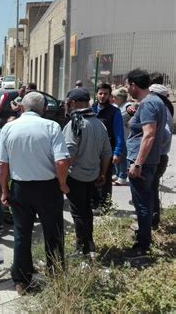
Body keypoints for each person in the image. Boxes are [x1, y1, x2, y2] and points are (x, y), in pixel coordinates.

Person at [0, 92, 70, 295]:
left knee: (21, 234)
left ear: (21, 107)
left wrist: (5, 190)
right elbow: (61, 161)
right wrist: (63, 184)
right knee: (53, 233)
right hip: (48, 188)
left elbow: (2, 165)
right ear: (43, 109)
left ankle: (21, 280)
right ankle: (56, 275)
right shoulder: (52, 126)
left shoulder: (9, 128)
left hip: (21, 188)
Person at [63, 88, 112, 258]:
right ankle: (89, 243)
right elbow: (107, 153)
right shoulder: (100, 124)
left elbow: (68, 155)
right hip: (93, 175)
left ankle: (81, 248)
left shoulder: (75, 124)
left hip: (75, 176)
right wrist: (103, 174)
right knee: (87, 210)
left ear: (73, 103)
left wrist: (62, 178)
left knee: (78, 212)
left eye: (68, 103)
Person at [125, 69, 166, 258]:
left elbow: (149, 135)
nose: (126, 89)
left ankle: (143, 245)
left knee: (142, 203)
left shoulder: (149, 103)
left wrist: (138, 163)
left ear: (134, 85)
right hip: (150, 160)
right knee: (147, 201)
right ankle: (144, 237)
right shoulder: (154, 101)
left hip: (142, 162)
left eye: (127, 85)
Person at [91, 83, 125, 214]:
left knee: (105, 178)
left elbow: (119, 134)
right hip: (92, 151)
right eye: (100, 93)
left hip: (108, 151)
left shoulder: (114, 112)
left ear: (110, 96)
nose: (102, 96)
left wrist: (117, 152)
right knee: (92, 176)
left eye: (105, 94)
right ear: (96, 94)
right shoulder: (92, 109)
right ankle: (93, 202)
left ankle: (104, 205)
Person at [148, 83, 173, 229]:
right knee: (152, 189)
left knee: (151, 190)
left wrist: (153, 146)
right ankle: (152, 219)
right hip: (160, 155)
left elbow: (166, 134)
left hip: (158, 156)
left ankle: (152, 220)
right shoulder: (163, 108)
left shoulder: (162, 109)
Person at [111, 88, 133, 185]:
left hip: (124, 136)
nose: (113, 99)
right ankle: (117, 173)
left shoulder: (127, 106)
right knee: (116, 155)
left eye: (115, 97)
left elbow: (133, 112)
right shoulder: (117, 106)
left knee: (122, 157)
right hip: (117, 136)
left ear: (120, 98)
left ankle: (122, 176)